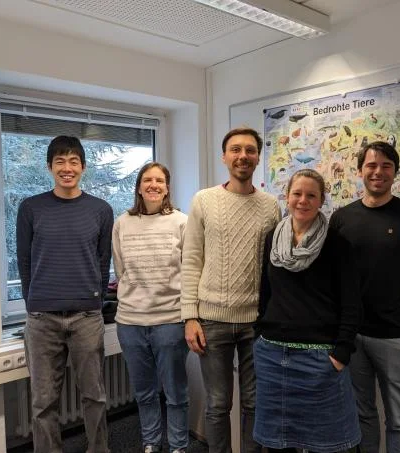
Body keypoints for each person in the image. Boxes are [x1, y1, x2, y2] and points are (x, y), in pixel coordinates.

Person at [329, 141, 400, 453]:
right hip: (352, 338)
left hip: (396, 337)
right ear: (360, 171)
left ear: (395, 172)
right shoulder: (342, 218)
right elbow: (332, 279)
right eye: (371, 165)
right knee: (361, 413)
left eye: (386, 166)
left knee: (399, 420)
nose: (378, 172)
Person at [181, 127, 280, 453]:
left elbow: (273, 268)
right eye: (235, 150)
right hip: (212, 320)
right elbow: (191, 259)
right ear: (224, 157)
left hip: (256, 323)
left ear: (258, 157)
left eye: (250, 150)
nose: (243, 156)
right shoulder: (204, 200)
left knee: (255, 402)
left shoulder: (271, 206)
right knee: (218, 404)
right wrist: (190, 316)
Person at [16, 135, 113, 453]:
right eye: (60, 161)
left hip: (86, 317)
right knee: (43, 402)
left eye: (73, 161)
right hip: (42, 319)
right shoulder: (31, 208)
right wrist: (34, 303)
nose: (67, 168)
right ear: (49, 167)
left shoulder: (101, 210)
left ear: (83, 167)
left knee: (94, 396)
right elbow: (24, 260)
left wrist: (94, 301)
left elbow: (103, 261)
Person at [254, 169, 362, 453]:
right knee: (278, 445)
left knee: (326, 446)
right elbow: (265, 290)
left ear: (321, 200)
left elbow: (352, 303)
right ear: (287, 197)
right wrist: (259, 333)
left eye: (311, 195)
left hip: (319, 360)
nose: (303, 200)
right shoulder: (272, 239)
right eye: (297, 194)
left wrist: (340, 354)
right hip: (272, 355)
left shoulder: (337, 244)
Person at [112, 162, 189, 453]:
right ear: (139, 187)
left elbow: (189, 270)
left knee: (175, 392)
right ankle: (151, 443)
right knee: (144, 393)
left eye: (159, 180)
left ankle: (179, 446)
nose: (153, 185)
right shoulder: (122, 222)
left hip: (170, 320)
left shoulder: (181, 222)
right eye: (147, 180)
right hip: (130, 322)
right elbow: (121, 269)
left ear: (167, 188)